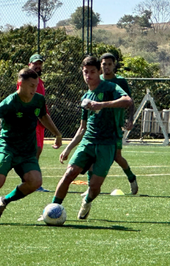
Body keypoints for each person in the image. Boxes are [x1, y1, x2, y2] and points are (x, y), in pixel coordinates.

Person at [0, 68, 62, 225]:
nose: (35, 89)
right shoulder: (10, 102)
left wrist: (57, 134)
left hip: (27, 151)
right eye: (31, 85)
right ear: (20, 84)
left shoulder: (38, 100)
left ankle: (4, 200)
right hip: (8, 148)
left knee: (35, 181)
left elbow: (43, 116)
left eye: (36, 85)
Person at [50, 56, 133, 220]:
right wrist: (68, 148)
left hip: (107, 144)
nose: (88, 76)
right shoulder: (85, 97)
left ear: (99, 72)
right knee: (68, 174)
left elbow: (128, 100)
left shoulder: (110, 87)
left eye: (92, 72)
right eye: (85, 72)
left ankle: (87, 201)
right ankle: (53, 209)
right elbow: (82, 128)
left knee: (94, 187)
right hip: (88, 141)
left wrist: (102, 105)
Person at [99, 52, 138, 194]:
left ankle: (131, 177)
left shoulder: (120, 82)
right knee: (94, 155)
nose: (106, 67)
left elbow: (130, 102)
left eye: (109, 64)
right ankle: (91, 187)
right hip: (98, 125)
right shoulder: (97, 80)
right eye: (104, 64)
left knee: (116, 156)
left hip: (115, 125)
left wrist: (130, 119)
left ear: (114, 65)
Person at [16, 54, 49, 192]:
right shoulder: (25, 82)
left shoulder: (40, 82)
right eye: (35, 63)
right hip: (31, 121)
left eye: (40, 64)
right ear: (29, 64)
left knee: (38, 150)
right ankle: (30, 181)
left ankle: (32, 180)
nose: (38, 66)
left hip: (40, 122)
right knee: (33, 150)